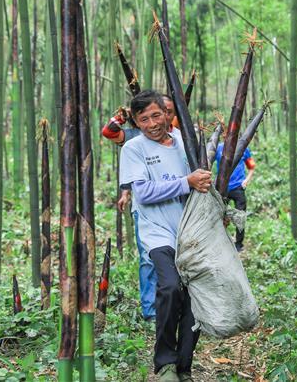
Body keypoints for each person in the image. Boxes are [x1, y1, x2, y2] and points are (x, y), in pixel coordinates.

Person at [120, 90, 211, 381]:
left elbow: (205, 181)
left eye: (156, 115)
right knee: (170, 287)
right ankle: (165, 363)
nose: (151, 124)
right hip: (156, 233)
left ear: (167, 113)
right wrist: (187, 182)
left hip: (189, 233)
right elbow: (143, 193)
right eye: (143, 119)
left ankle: (184, 366)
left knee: (193, 299)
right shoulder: (133, 149)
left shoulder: (186, 144)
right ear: (136, 121)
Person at [101, 97, 178, 321]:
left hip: (178, 211)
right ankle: (151, 309)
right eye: (145, 118)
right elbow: (109, 132)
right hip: (147, 210)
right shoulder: (137, 137)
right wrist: (123, 116)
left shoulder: (180, 137)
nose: (154, 123)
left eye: (165, 113)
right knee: (148, 258)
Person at [212, 141, 255, 251]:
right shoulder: (219, 148)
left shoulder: (243, 149)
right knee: (219, 215)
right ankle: (221, 241)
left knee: (240, 217)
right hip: (222, 188)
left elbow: (251, 166)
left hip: (238, 188)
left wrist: (246, 180)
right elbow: (209, 163)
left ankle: (239, 244)